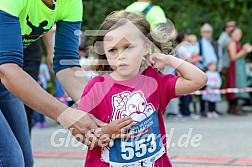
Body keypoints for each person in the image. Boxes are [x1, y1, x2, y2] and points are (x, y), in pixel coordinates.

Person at [0, 1, 124, 166]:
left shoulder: (71, 3)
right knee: (10, 161)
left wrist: (102, 108)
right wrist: (66, 115)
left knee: (25, 160)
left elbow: (67, 65)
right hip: (5, 71)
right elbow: (7, 70)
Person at [78, 11, 207, 167]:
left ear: (146, 47)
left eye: (128, 47)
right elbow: (82, 134)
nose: (121, 56)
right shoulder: (96, 87)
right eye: (113, 50)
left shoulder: (153, 80)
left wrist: (168, 59)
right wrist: (106, 132)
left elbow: (199, 79)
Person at [226, 27, 252, 115]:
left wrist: (246, 51)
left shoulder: (238, 43)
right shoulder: (232, 43)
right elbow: (233, 57)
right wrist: (244, 50)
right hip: (234, 67)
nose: (238, 36)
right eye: (236, 34)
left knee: (240, 84)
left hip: (239, 65)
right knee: (234, 84)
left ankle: (236, 105)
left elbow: (241, 56)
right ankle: (233, 106)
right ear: (232, 34)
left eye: (239, 34)